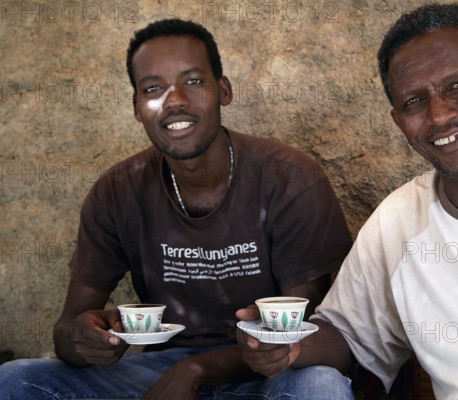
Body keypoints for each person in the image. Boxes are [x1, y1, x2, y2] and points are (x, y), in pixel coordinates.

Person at [237, 3, 458, 399]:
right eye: (414, 101)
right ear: (399, 123)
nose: (440, 115)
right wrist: (282, 341)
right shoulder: (398, 223)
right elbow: (347, 335)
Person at [0, 18, 354, 400]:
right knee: (15, 379)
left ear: (223, 90)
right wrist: (87, 341)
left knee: (321, 385)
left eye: (194, 81)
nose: (174, 101)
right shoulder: (118, 191)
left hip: (268, 372)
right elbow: (68, 327)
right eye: (153, 88)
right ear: (137, 107)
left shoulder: (288, 177)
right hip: (160, 374)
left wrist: (196, 370)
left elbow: (301, 331)